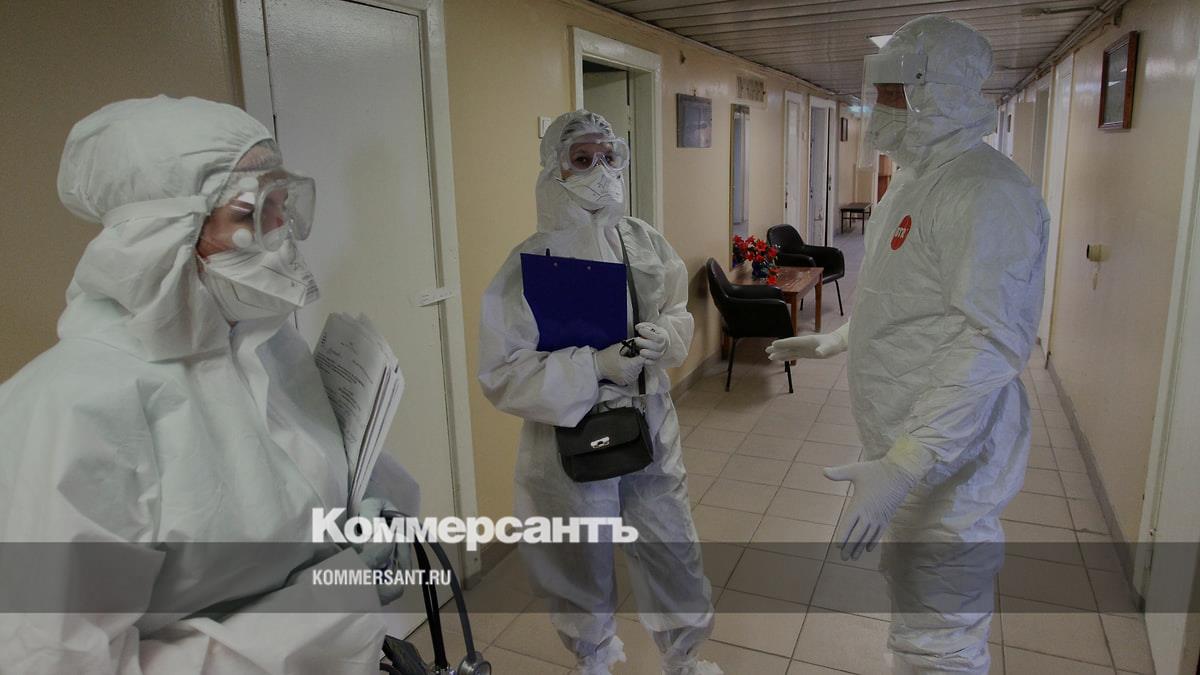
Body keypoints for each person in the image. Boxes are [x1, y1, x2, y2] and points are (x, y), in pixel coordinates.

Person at [0, 96, 417, 673]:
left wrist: (353, 526)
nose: (282, 231)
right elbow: (55, 661)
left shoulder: (268, 350)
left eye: (283, 202)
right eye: (253, 212)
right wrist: (334, 603)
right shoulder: (66, 411)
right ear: (160, 233)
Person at [768, 16, 1048, 675]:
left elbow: (988, 342)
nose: (879, 106)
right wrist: (840, 338)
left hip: (949, 459)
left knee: (942, 639)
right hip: (906, 445)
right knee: (916, 612)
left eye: (892, 90)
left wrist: (907, 461)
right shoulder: (916, 178)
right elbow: (907, 297)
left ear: (935, 90)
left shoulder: (987, 191)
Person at [478, 111, 720, 675]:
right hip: (567, 435)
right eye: (582, 160)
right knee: (579, 556)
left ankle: (684, 658)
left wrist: (665, 338)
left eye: (608, 157)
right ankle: (591, 659)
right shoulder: (529, 263)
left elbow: (677, 309)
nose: (600, 171)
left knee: (670, 544)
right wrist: (594, 368)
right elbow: (503, 372)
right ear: (554, 169)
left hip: (649, 420)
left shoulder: (644, 241)